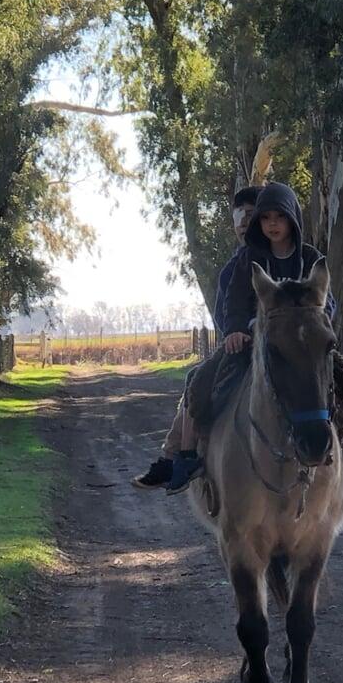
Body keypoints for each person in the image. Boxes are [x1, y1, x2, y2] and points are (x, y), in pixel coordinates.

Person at [166, 181, 343, 509]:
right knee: (197, 381)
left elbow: (326, 302)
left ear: (293, 220)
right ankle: (187, 457)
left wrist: (310, 323)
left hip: (304, 348)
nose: (273, 224)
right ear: (258, 222)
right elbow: (233, 301)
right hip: (249, 345)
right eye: (266, 218)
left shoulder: (312, 258)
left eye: (280, 217)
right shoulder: (248, 260)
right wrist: (234, 330)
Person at [132, 185, 262, 490]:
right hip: (242, 347)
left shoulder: (287, 256)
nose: (244, 222)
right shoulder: (232, 269)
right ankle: (178, 455)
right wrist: (236, 331)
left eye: (252, 216)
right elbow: (223, 312)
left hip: (288, 342)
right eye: (239, 217)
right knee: (197, 379)